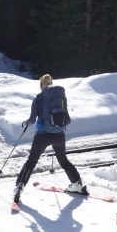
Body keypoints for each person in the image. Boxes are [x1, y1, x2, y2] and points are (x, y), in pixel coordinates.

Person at [13, 74, 86, 203]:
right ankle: (78, 185)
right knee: (63, 160)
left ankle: (19, 187)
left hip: (42, 135)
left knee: (31, 163)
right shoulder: (60, 97)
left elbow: (32, 120)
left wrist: (26, 123)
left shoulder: (38, 99)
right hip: (59, 134)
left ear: (41, 85)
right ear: (51, 83)